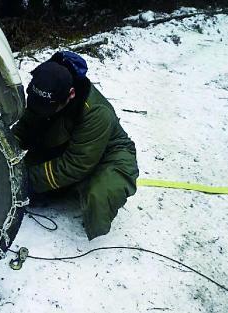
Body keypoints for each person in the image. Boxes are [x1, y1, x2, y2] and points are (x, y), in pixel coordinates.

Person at [13, 51, 139, 240]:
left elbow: (75, 165)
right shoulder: (46, 90)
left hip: (108, 155)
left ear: (71, 94)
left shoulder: (96, 113)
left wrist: (23, 180)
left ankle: (86, 188)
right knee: (25, 179)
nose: (41, 111)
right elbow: (25, 128)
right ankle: (66, 187)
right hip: (68, 144)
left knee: (99, 197)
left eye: (48, 108)